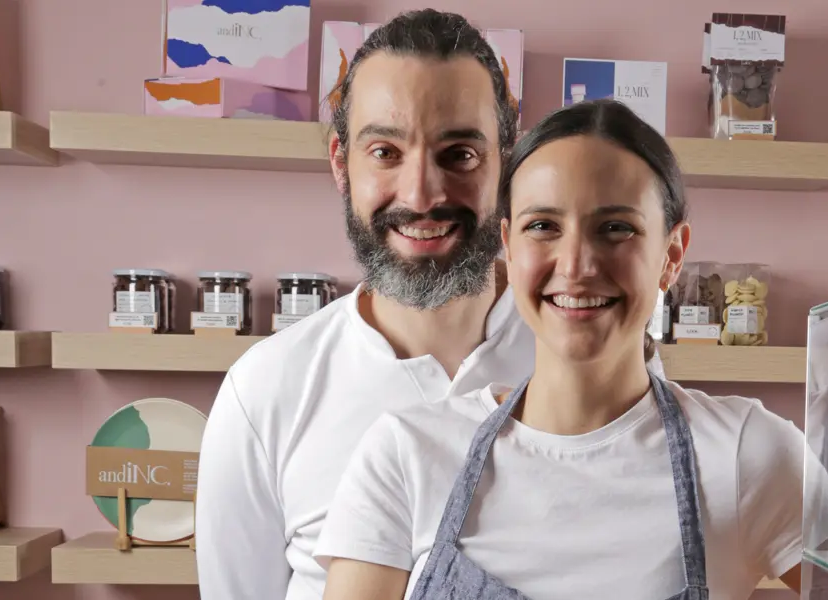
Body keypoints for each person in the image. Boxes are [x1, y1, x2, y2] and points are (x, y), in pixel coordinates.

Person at [194, 11, 663, 600]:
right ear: (342, 163)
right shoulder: (263, 392)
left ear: (507, 163)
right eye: (386, 152)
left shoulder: (601, 351)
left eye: (460, 154)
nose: (421, 195)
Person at [314, 99, 828, 599]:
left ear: (672, 254)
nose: (575, 265)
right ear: (509, 244)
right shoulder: (408, 451)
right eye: (542, 226)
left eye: (615, 228)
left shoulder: (745, 452)